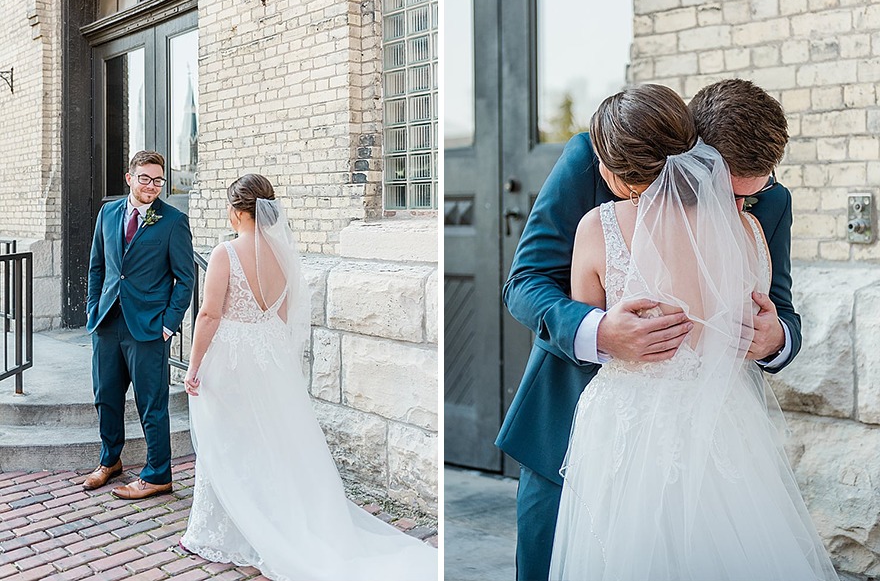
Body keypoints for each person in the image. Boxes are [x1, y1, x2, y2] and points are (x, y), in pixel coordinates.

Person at [497, 79, 802, 581]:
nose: (735, 213)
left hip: (712, 450)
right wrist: (598, 331)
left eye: (755, 194)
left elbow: (784, 311)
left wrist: (776, 339)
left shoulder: (770, 203)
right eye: (726, 194)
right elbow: (525, 281)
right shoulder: (602, 158)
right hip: (573, 430)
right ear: (693, 157)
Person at [178, 174, 437, 581]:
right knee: (273, 442)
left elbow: (209, 314)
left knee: (230, 440)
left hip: (231, 359)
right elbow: (282, 315)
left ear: (236, 210)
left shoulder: (226, 252)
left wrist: (193, 367)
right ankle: (277, 518)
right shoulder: (282, 255)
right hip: (270, 357)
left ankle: (231, 531)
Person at [84, 150, 195, 499]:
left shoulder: (173, 221)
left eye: (159, 180)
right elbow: (97, 267)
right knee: (106, 397)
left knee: (152, 404)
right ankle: (109, 461)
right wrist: (92, 309)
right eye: (145, 178)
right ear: (129, 178)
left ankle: (158, 473)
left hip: (148, 328)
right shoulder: (108, 212)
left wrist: (168, 325)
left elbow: (185, 279)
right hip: (107, 322)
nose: (152, 186)